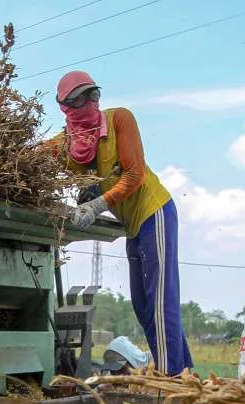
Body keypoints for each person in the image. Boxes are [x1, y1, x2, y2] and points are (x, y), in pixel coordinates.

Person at [46, 70, 193, 376]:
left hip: (155, 213)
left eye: (94, 94)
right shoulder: (67, 145)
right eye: (82, 98)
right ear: (66, 106)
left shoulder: (118, 120)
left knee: (160, 300)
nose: (91, 102)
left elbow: (134, 174)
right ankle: (185, 373)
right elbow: (35, 157)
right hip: (133, 227)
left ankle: (170, 378)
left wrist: (97, 204)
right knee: (142, 305)